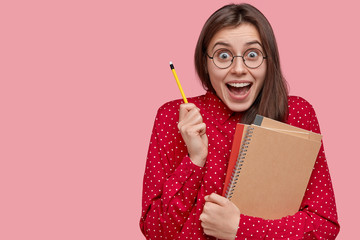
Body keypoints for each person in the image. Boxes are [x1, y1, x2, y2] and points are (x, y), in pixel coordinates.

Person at [140, 3, 340, 239]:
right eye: (223, 55)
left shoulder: (297, 113)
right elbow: (156, 231)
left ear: (268, 61)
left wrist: (240, 228)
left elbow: (324, 226)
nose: (238, 69)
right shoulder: (175, 116)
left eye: (252, 55)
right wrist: (195, 161)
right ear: (205, 61)